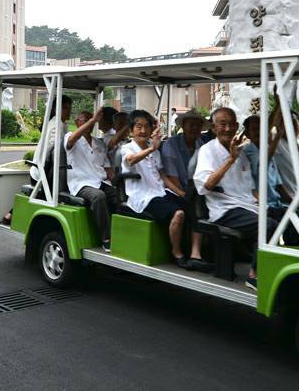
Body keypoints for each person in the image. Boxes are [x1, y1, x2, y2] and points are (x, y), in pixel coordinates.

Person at [193, 107, 278, 291]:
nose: (228, 128)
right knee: (267, 225)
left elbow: (250, 189)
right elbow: (206, 185)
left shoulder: (241, 152)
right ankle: (254, 275)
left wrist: (265, 204)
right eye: (222, 124)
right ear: (214, 128)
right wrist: (230, 159)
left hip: (246, 205)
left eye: (232, 124)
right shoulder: (207, 151)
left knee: (289, 217)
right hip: (224, 209)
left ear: (237, 126)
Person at [121, 110, 191, 267]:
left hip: (160, 192)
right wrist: (152, 148)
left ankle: (193, 252)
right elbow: (131, 161)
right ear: (131, 130)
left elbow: (163, 177)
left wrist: (181, 193)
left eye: (146, 127)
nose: (143, 131)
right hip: (143, 196)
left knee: (190, 206)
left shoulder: (155, 152)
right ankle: (176, 252)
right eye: (139, 127)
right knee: (178, 214)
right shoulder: (128, 149)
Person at [160, 109, 211, 270]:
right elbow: (172, 180)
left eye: (198, 125)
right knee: (194, 206)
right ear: (183, 126)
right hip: (173, 190)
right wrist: (187, 195)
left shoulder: (201, 145)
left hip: (195, 190)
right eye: (191, 125)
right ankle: (188, 253)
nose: (194, 128)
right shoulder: (171, 145)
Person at [67, 108, 117, 252]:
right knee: (99, 196)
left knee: (120, 195)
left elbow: (107, 168)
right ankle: (106, 238)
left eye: (93, 120)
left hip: (100, 181)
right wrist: (93, 119)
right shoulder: (71, 137)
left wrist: (116, 178)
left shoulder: (99, 143)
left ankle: (121, 233)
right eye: (86, 119)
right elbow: (70, 141)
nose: (91, 122)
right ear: (77, 122)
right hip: (82, 183)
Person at [29, 95, 72, 185]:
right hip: (42, 175)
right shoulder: (56, 125)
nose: (69, 111)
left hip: (47, 171)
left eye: (69, 108)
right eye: (65, 108)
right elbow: (55, 151)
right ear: (56, 109)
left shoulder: (62, 124)